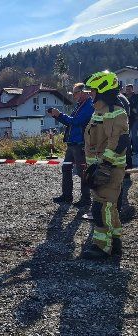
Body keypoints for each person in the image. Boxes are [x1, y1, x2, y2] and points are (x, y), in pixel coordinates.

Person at [81, 70, 129, 260]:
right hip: (101, 168)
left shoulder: (114, 111)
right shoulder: (100, 111)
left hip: (109, 170)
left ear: (103, 89)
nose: (89, 93)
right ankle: (115, 242)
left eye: (92, 90)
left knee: (101, 209)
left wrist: (104, 165)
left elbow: (117, 142)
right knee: (109, 208)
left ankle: (102, 247)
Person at [48, 83, 94, 206]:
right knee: (66, 168)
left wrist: (60, 115)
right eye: (73, 93)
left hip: (80, 144)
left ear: (84, 92)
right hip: (72, 143)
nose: (73, 95)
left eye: (75, 92)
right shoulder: (80, 105)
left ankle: (86, 199)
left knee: (82, 172)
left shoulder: (89, 106)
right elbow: (71, 123)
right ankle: (67, 196)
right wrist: (57, 116)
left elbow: (76, 122)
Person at [123, 84, 138, 167]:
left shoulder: (135, 97)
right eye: (127, 89)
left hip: (134, 119)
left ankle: (135, 151)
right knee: (128, 136)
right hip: (127, 119)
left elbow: (135, 108)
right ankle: (130, 151)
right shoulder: (124, 97)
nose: (127, 90)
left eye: (129, 89)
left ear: (132, 89)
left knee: (134, 136)